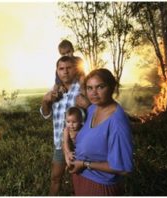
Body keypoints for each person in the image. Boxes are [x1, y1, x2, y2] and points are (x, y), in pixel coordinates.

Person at [68, 68, 134, 196]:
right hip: (81, 178)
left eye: (100, 87)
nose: (94, 93)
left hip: (100, 185)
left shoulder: (117, 121)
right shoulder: (93, 108)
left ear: (112, 87)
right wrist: (67, 151)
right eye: (89, 88)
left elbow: (124, 168)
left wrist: (84, 164)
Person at [40, 56, 89, 196]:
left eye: (69, 68)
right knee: (55, 178)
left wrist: (86, 104)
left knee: (80, 180)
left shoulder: (82, 88)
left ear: (75, 70)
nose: (65, 72)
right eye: (61, 69)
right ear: (57, 71)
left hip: (80, 143)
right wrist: (45, 100)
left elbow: (95, 112)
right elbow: (45, 115)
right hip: (60, 144)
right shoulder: (55, 91)